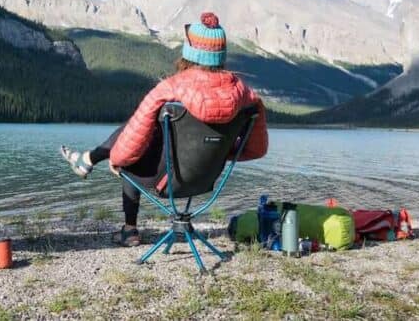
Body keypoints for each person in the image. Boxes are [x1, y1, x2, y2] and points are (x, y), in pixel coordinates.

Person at [60, 12, 268, 246]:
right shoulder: (248, 96)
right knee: (138, 136)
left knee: (129, 155)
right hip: (206, 177)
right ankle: (87, 159)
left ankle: (129, 230)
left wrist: (117, 161)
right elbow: (256, 149)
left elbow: (131, 142)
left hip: (168, 181)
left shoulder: (169, 88)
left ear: (190, 53)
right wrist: (220, 149)